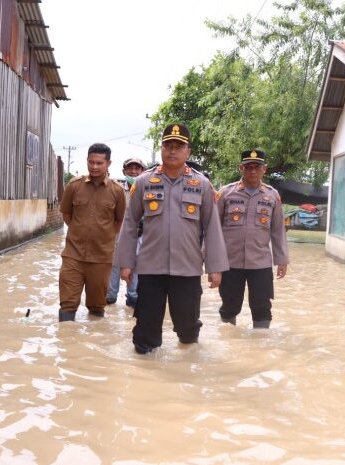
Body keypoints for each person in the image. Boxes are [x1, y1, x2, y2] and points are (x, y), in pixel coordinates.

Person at [115, 123, 229, 354]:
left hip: (187, 270)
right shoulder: (144, 182)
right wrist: (126, 263)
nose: (173, 151)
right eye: (168, 145)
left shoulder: (202, 185)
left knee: (188, 330)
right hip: (150, 269)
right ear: (161, 148)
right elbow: (129, 224)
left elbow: (212, 227)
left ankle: (186, 373)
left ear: (188, 151)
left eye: (179, 146)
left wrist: (215, 268)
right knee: (145, 334)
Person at [216, 149, 289, 329]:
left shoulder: (272, 196)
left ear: (264, 169)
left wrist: (282, 260)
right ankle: (228, 342)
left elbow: (278, 230)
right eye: (248, 167)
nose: (253, 171)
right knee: (229, 307)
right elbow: (213, 229)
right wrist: (211, 261)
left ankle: (261, 347)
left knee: (262, 308)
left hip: (261, 264)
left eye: (257, 167)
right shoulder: (225, 193)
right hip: (230, 263)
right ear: (241, 168)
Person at [58, 143, 126, 322]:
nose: (94, 167)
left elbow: (119, 221)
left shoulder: (117, 191)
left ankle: (94, 340)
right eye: (91, 162)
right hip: (73, 255)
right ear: (87, 161)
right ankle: (66, 342)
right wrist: (79, 231)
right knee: (67, 304)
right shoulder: (74, 186)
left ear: (108, 163)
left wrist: (105, 236)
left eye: (99, 163)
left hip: (101, 259)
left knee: (97, 306)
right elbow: (66, 214)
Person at [107, 157, 146, 308]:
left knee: (136, 268)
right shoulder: (116, 190)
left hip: (140, 237)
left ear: (143, 171)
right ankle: (110, 298)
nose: (134, 171)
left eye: (137, 168)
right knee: (114, 267)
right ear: (124, 171)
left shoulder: (148, 189)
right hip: (117, 237)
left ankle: (132, 298)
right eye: (130, 168)